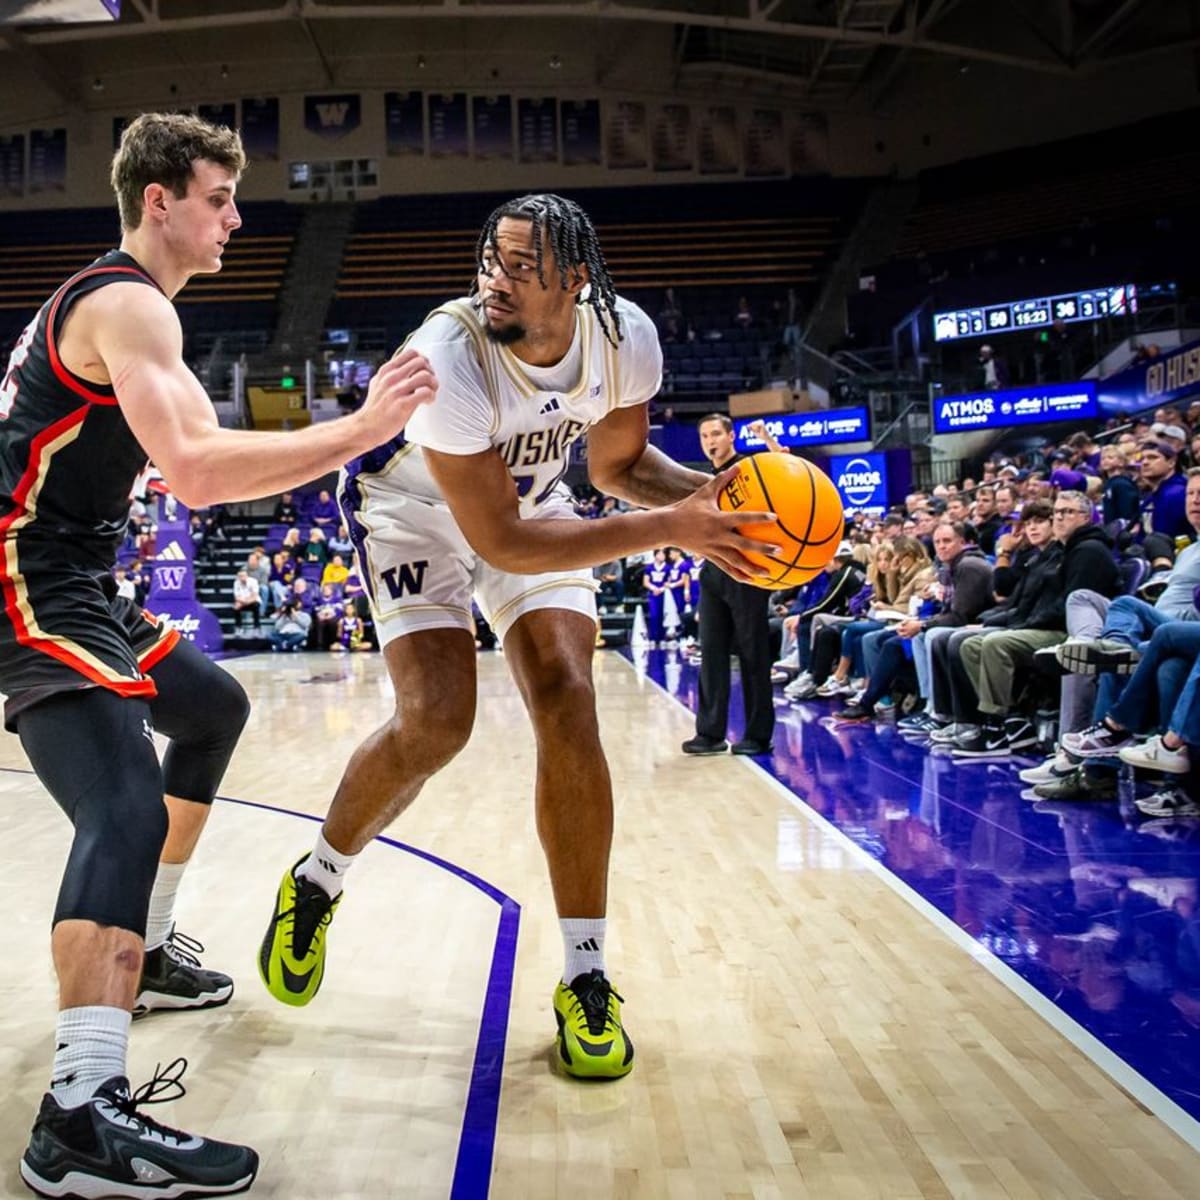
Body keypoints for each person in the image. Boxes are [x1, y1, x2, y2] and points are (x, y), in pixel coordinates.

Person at [0, 112, 436, 1199]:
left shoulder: (121, 304)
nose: (236, 218)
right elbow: (194, 472)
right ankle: (77, 1118)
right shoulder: (126, 304)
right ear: (160, 201)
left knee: (210, 707)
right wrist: (358, 426)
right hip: (23, 576)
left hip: (73, 575)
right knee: (124, 812)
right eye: (218, 198)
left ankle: (139, 958)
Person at [257, 193, 771, 1081]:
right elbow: (498, 542)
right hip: (413, 515)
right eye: (490, 260)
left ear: (574, 280)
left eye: (520, 267)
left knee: (571, 701)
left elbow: (616, 468)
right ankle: (317, 880)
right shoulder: (447, 357)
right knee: (437, 724)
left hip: (534, 509)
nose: (495, 279)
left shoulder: (625, 338)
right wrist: (674, 528)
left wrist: (721, 504)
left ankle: (585, 973)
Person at [681, 413, 778, 757]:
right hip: (712, 571)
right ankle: (709, 733)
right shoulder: (704, 479)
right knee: (711, 653)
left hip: (747, 570)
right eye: (704, 435)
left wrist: (765, 436)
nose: (710, 441)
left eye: (715, 434)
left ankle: (758, 735)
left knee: (754, 653)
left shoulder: (750, 468)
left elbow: (787, 469)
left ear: (730, 436)